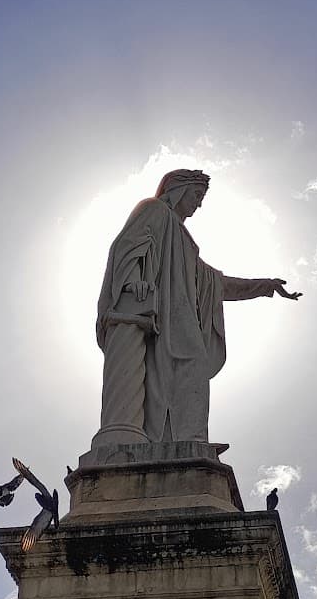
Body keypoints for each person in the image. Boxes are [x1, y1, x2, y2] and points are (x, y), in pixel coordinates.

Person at [92, 168, 299, 450]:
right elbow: (127, 245)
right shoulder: (153, 210)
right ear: (178, 189)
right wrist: (132, 283)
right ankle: (183, 442)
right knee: (175, 373)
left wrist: (264, 286)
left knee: (190, 369)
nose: (199, 204)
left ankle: (188, 442)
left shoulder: (184, 240)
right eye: (197, 195)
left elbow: (216, 283)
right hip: (156, 315)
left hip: (180, 319)